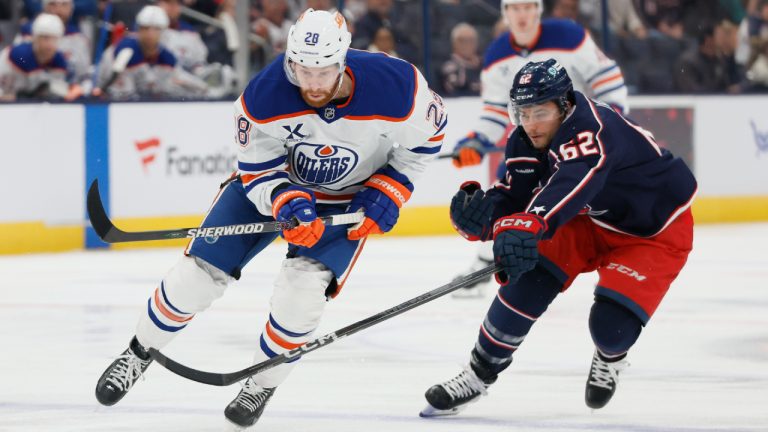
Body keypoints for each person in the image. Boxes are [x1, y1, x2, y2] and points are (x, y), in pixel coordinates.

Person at [94, 8, 446, 429]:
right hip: (271, 189)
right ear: (290, 59)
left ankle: (261, 384)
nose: (311, 84)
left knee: (301, 296)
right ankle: (138, 352)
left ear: (343, 60)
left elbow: (429, 139)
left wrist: (390, 190)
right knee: (196, 276)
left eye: (323, 72)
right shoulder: (264, 95)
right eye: (301, 70)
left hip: (345, 201)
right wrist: (286, 200)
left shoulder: (399, 87)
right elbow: (258, 168)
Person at [420, 58, 696, 417]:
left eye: (540, 113)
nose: (530, 125)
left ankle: (611, 358)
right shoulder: (524, 139)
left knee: (610, 330)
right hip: (583, 221)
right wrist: (485, 218)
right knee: (528, 277)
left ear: (564, 106)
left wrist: (530, 223)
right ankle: (477, 374)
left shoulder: (591, 130)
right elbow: (516, 193)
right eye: (523, 113)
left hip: (652, 230)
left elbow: (572, 182)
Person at [450, 0, 628, 298]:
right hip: (538, 139)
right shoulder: (496, 54)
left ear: (538, 10)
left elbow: (609, 81)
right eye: (515, 9)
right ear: (505, 13)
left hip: (584, 138)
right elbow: (494, 112)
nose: (522, 15)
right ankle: (491, 260)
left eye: (528, 7)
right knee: (511, 184)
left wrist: (610, 125)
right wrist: (475, 141)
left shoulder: (569, 36)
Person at [93, 5, 209, 100]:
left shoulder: (167, 58)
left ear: (163, 32)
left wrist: (206, 87)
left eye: (156, 29)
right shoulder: (123, 52)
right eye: (145, 28)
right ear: (138, 29)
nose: (150, 34)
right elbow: (118, 95)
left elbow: (182, 81)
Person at [0, 13, 80, 101]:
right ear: (35, 38)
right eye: (45, 38)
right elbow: (28, 90)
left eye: (54, 39)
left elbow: (58, 91)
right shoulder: (20, 55)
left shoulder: (59, 60)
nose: (49, 44)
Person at [15, 0, 92, 90]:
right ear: (44, 7)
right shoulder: (27, 35)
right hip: (30, 93)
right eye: (53, 4)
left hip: (68, 95)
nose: (58, 10)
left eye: (64, 5)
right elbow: (18, 63)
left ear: (71, 9)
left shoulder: (79, 39)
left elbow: (84, 75)